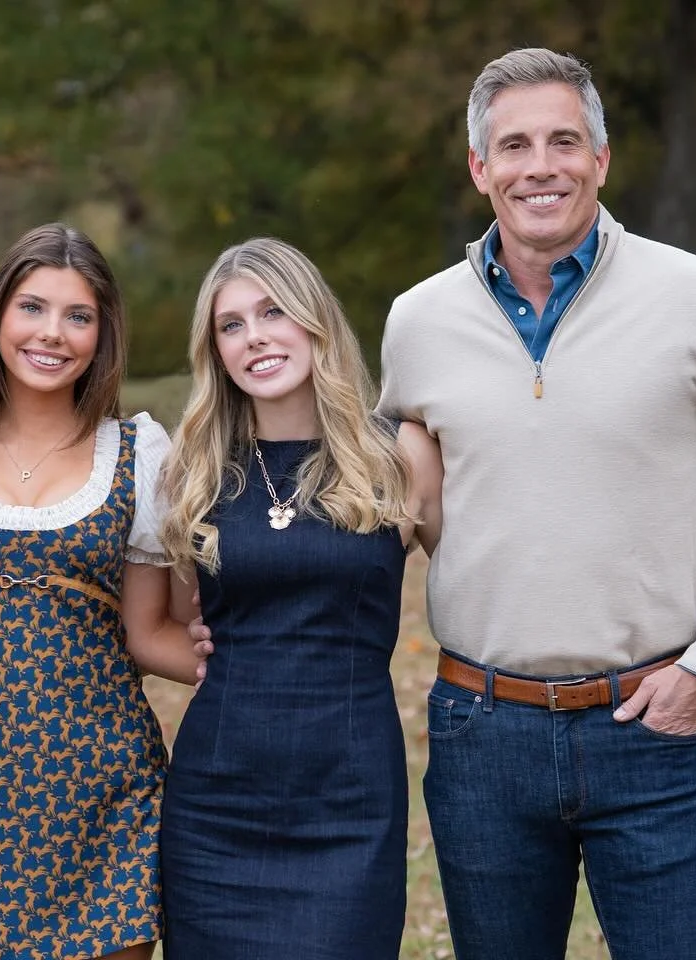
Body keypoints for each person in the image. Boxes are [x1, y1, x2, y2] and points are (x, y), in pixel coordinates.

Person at [373, 48, 696, 959]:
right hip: (480, 731)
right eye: (515, 145)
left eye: (564, 141)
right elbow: (384, 505)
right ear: (480, 169)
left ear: (601, 160)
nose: (542, 166)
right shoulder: (418, 322)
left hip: (650, 726)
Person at [0, 223, 198, 960]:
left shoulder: (135, 452)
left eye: (79, 316)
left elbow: (150, 628)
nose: (53, 334)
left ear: (103, 334)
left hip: (108, 786)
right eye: (32, 308)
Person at [158, 237, 442, 959]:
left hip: (349, 795)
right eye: (232, 324)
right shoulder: (192, 472)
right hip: (217, 797)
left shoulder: (397, 455)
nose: (255, 337)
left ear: (315, 320)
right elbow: (184, 622)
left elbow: (479, 584)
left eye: (274, 312)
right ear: (214, 349)